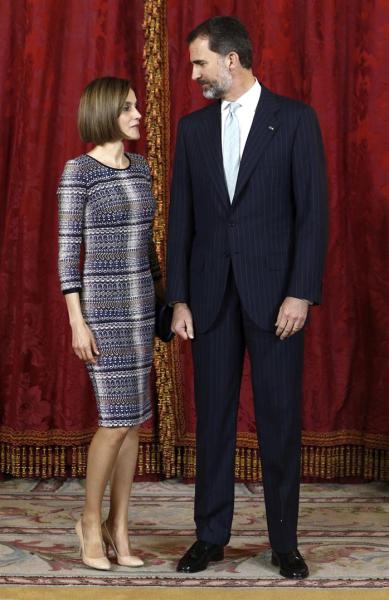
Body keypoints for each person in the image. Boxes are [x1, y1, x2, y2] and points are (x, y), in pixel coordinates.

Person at [167, 17, 327, 579]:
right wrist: (179, 299)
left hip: (276, 301)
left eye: (200, 63)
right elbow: (180, 220)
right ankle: (210, 535)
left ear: (230, 60)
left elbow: (313, 217)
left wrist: (301, 293)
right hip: (209, 301)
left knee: (279, 420)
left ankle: (285, 542)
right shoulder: (191, 130)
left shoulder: (296, 120)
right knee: (213, 421)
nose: (194, 75)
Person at [58, 76, 162, 570]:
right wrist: (78, 323)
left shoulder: (141, 169)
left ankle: (120, 528)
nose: (137, 113)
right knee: (114, 421)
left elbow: (150, 248)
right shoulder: (78, 172)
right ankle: (88, 521)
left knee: (134, 422)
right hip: (102, 310)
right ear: (104, 114)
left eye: (136, 106)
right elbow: (66, 257)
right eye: (127, 108)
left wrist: (168, 304)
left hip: (142, 307)